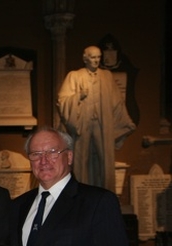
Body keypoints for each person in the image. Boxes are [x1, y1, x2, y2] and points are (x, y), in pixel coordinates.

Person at [57, 45, 136, 192]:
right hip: (82, 124)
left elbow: (117, 101)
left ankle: (105, 193)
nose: (96, 60)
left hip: (102, 124)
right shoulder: (74, 76)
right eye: (93, 57)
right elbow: (63, 100)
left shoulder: (106, 76)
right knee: (81, 159)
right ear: (85, 58)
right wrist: (78, 97)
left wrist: (126, 121)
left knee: (104, 159)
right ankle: (80, 192)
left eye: (98, 57)